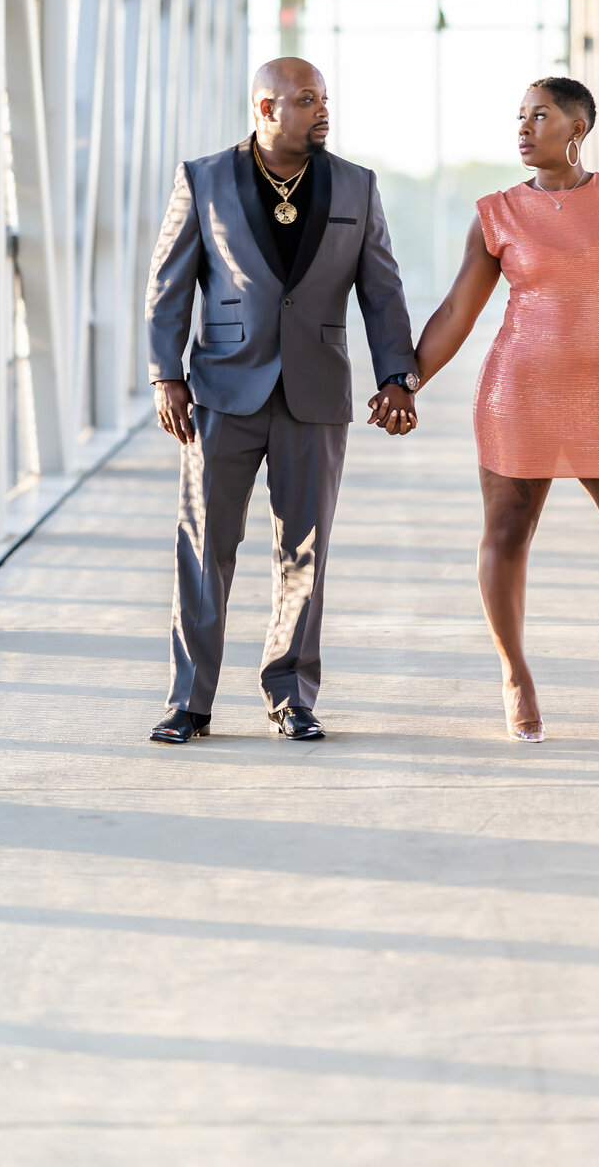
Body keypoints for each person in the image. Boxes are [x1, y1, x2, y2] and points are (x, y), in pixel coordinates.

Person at [381, 76, 599, 744]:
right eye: (520, 116)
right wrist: (405, 380)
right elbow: (457, 311)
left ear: (577, 128)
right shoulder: (498, 212)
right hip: (516, 397)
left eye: (541, 115)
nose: (525, 126)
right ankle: (514, 676)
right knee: (507, 534)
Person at [146, 57, 420, 744]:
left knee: (305, 551)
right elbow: (168, 285)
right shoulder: (203, 179)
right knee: (207, 547)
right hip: (220, 391)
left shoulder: (357, 184)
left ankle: (290, 695)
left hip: (316, 390)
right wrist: (165, 375)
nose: (322, 109)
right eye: (305, 99)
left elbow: (380, 289)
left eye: (324, 96)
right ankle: (189, 702)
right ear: (264, 109)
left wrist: (397, 376)